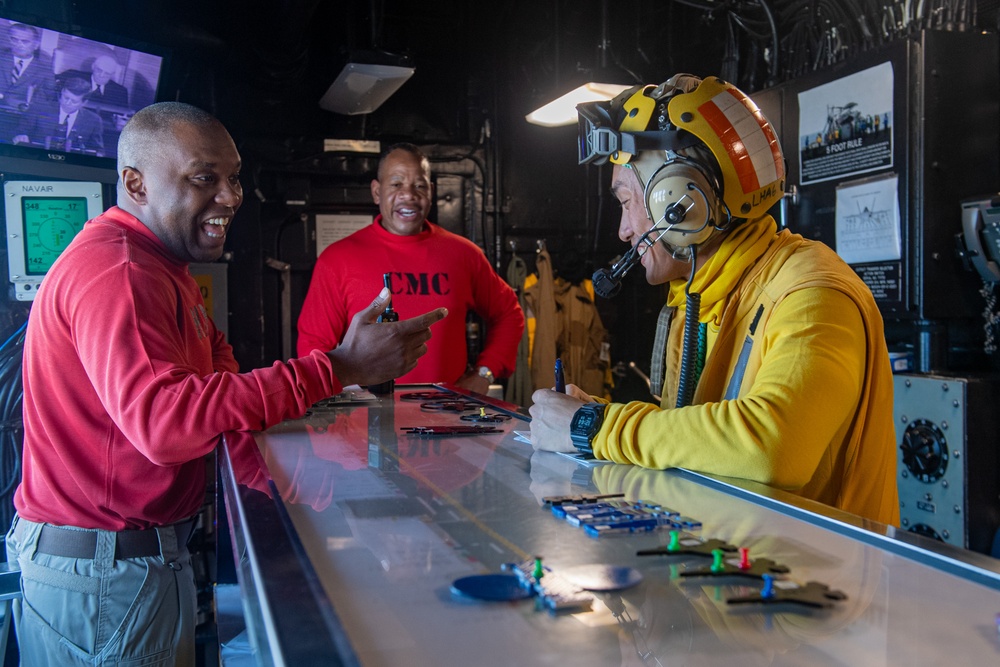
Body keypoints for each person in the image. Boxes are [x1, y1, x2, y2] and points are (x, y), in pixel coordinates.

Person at [5, 101, 446, 666]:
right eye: (203, 178)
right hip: (105, 574)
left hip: (135, 562)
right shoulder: (121, 271)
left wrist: (331, 505)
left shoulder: (166, 274)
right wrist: (338, 367)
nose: (231, 197)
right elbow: (165, 424)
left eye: (233, 178)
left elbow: (227, 408)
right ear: (135, 183)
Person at [528, 74, 899, 526]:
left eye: (626, 202)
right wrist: (602, 419)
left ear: (680, 201)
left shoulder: (812, 292)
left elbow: (773, 447)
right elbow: (702, 438)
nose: (623, 231)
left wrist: (595, 428)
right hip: (733, 570)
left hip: (816, 584)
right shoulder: (699, 294)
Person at [297, 143, 525, 394]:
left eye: (419, 185)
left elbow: (509, 314)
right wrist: (341, 398)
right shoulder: (337, 259)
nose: (409, 195)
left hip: (446, 416)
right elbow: (313, 346)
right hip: (365, 419)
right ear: (376, 192)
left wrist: (484, 373)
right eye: (396, 184)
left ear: (431, 192)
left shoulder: (464, 254)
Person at [13, 75, 105, 154]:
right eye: (65, 97)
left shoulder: (94, 120)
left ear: (84, 103)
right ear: (61, 92)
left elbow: (98, 150)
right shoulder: (38, 108)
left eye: (74, 101)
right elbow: (19, 131)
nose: (67, 103)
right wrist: (20, 136)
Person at [0, 22, 55, 111]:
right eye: (14, 39)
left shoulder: (45, 71)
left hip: (22, 116)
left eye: (25, 41)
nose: (19, 44)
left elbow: (45, 99)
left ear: (36, 45)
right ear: (9, 40)